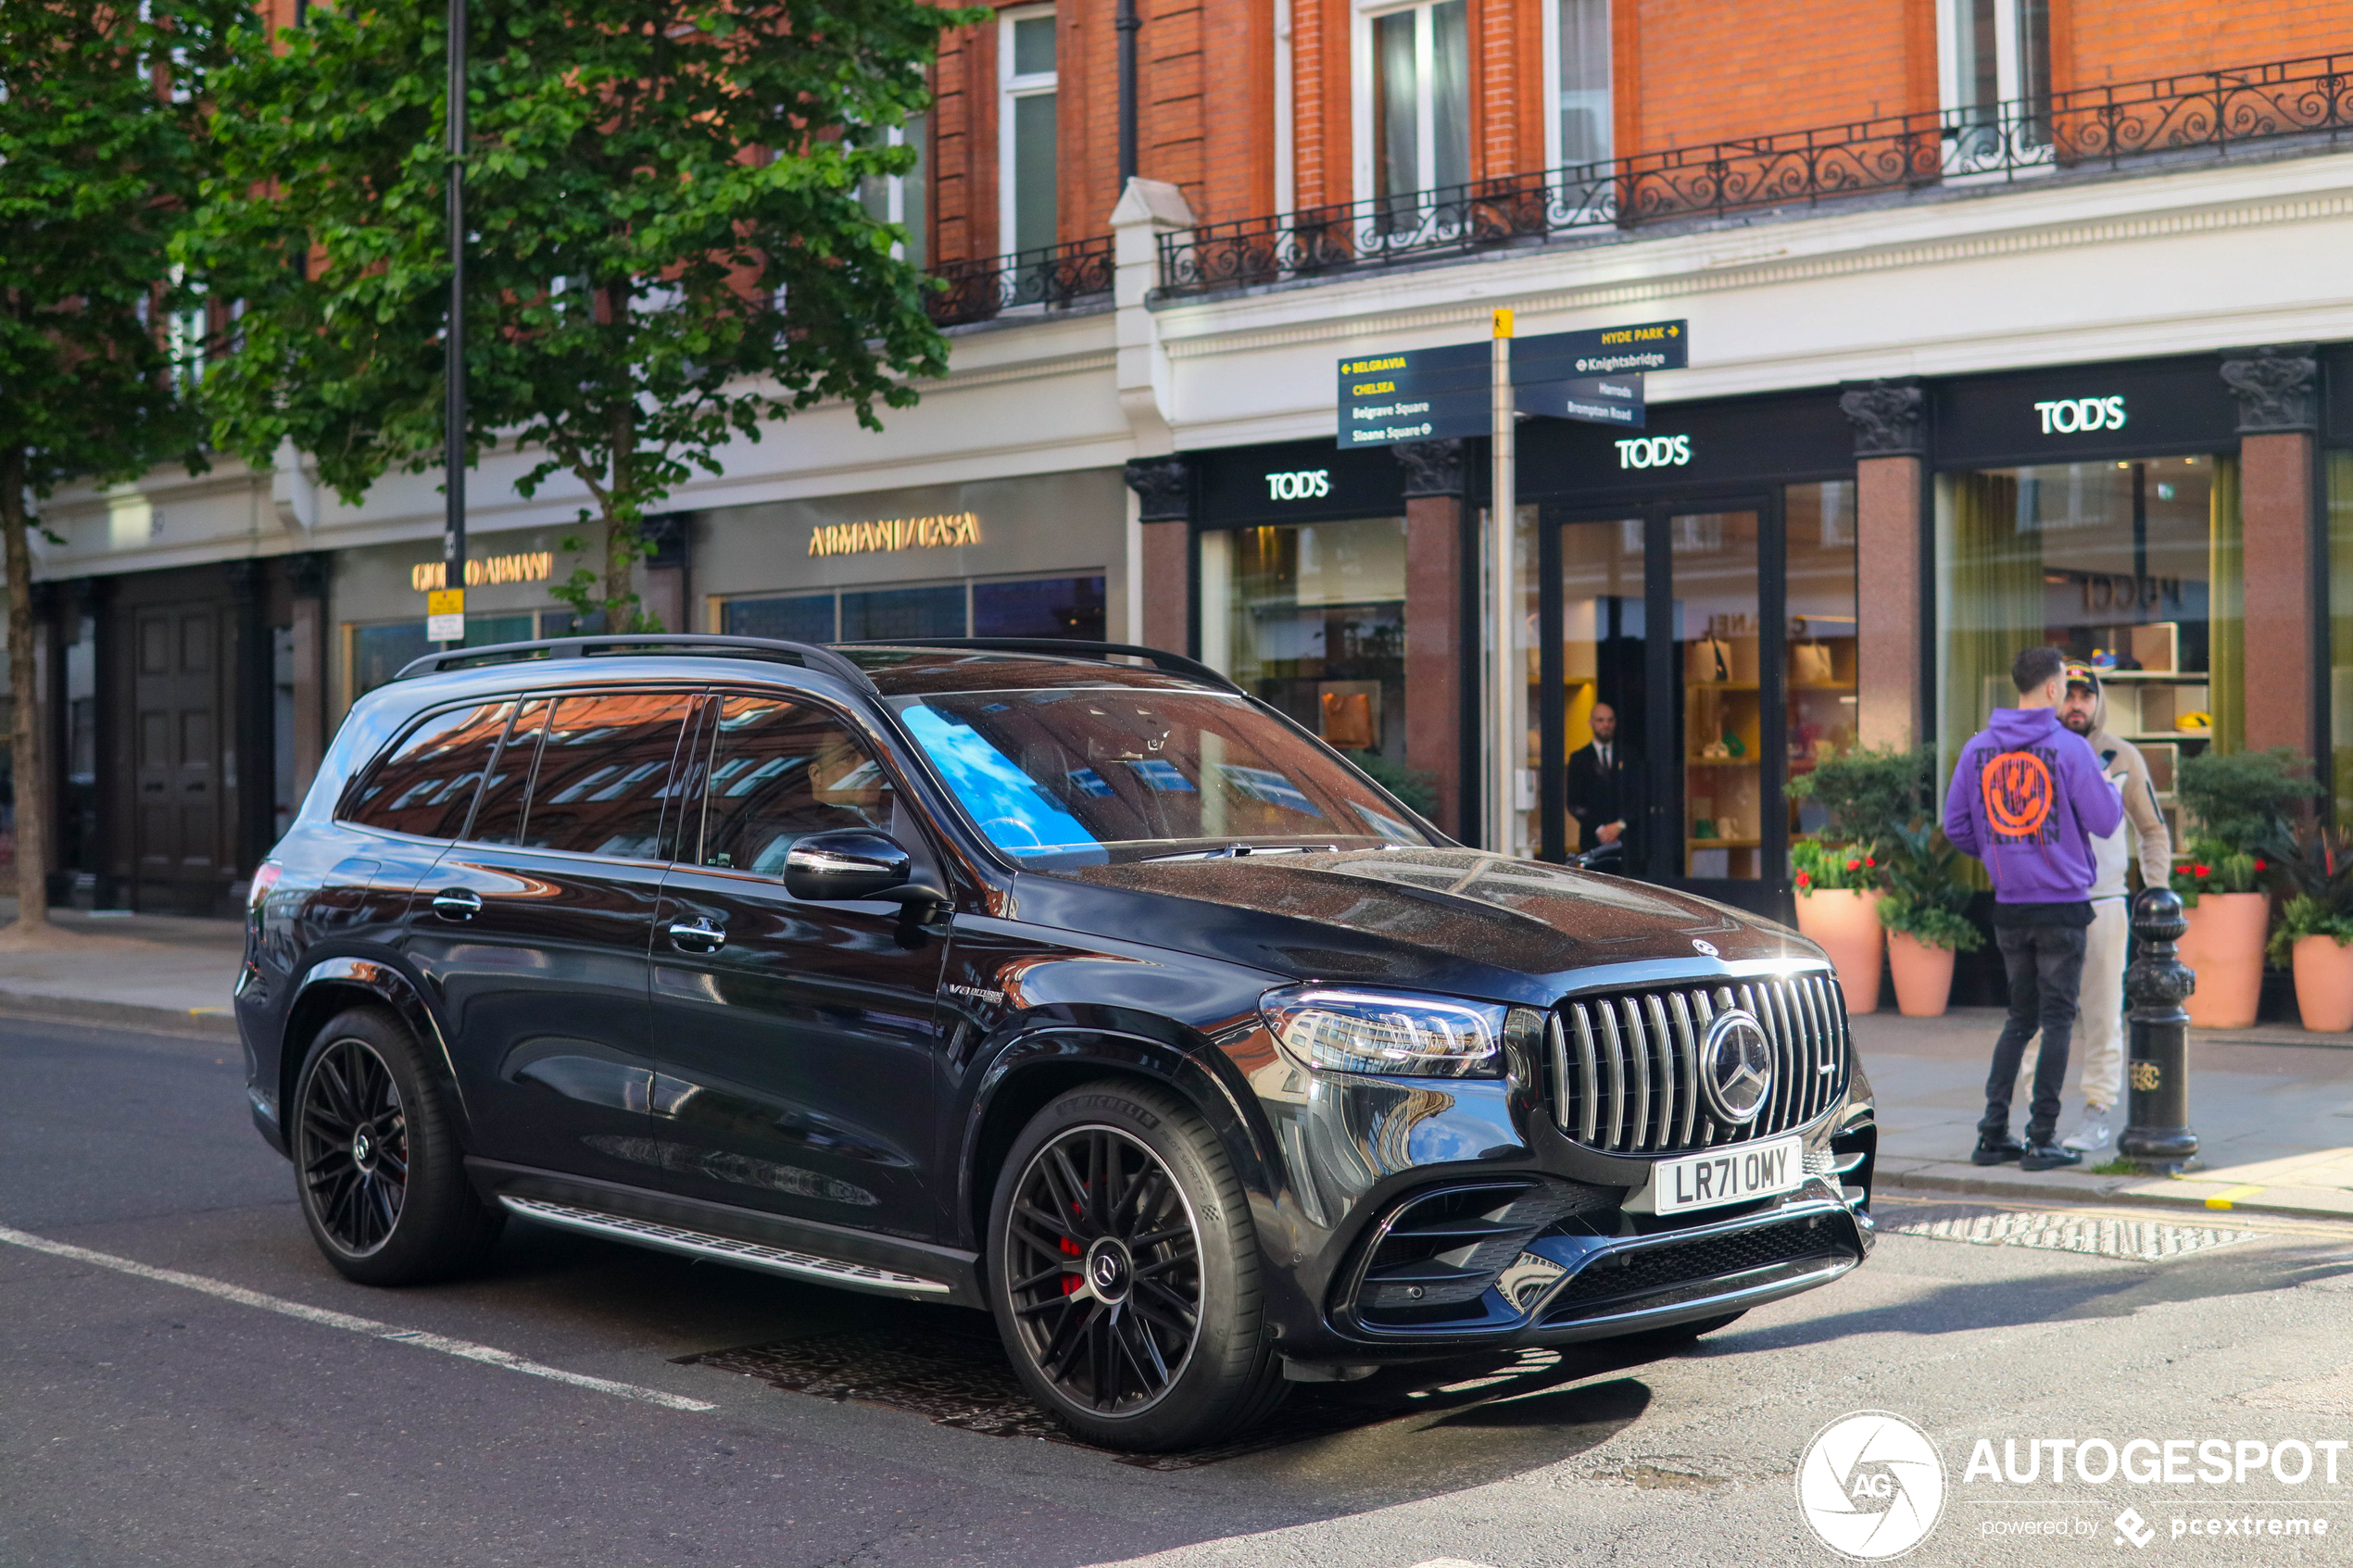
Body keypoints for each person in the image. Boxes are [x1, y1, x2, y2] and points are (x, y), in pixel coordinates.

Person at [1943, 646, 2125, 1172]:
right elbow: (2106, 820)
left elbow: (1957, 826)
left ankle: (1993, 1134)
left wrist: (2008, 854)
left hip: (2009, 906)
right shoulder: (2070, 750)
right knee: (2058, 1021)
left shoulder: (1977, 749)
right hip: (2063, 907)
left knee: (2019, 1020)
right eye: (2066, 685)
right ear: (2052, 689)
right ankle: (2042, 1137)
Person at [2055, 663, 2173, 1154]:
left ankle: (2098, 1111)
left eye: (2086, 695)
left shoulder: (2121, 755)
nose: (2077, 704)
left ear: (2099, 701)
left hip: (2105, 902)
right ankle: (2040, 1120)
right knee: (2043, 1020)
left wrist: (2157, 894)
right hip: (2050, 905)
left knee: (2104, 1016)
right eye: (2068, 695)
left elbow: (2152, 830)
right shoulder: (2039, 752)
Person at [1567, 702, 1637, 864]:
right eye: (1600, 720)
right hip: (1591, 841)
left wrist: (1618, 826)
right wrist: (1599, 829)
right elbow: (1574, 803)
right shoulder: (1579, 759)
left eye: (1610, 720)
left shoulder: (1629, 756)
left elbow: (1637, 797)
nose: (1606, 725)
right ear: (1591, 723)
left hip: (1624, 841)